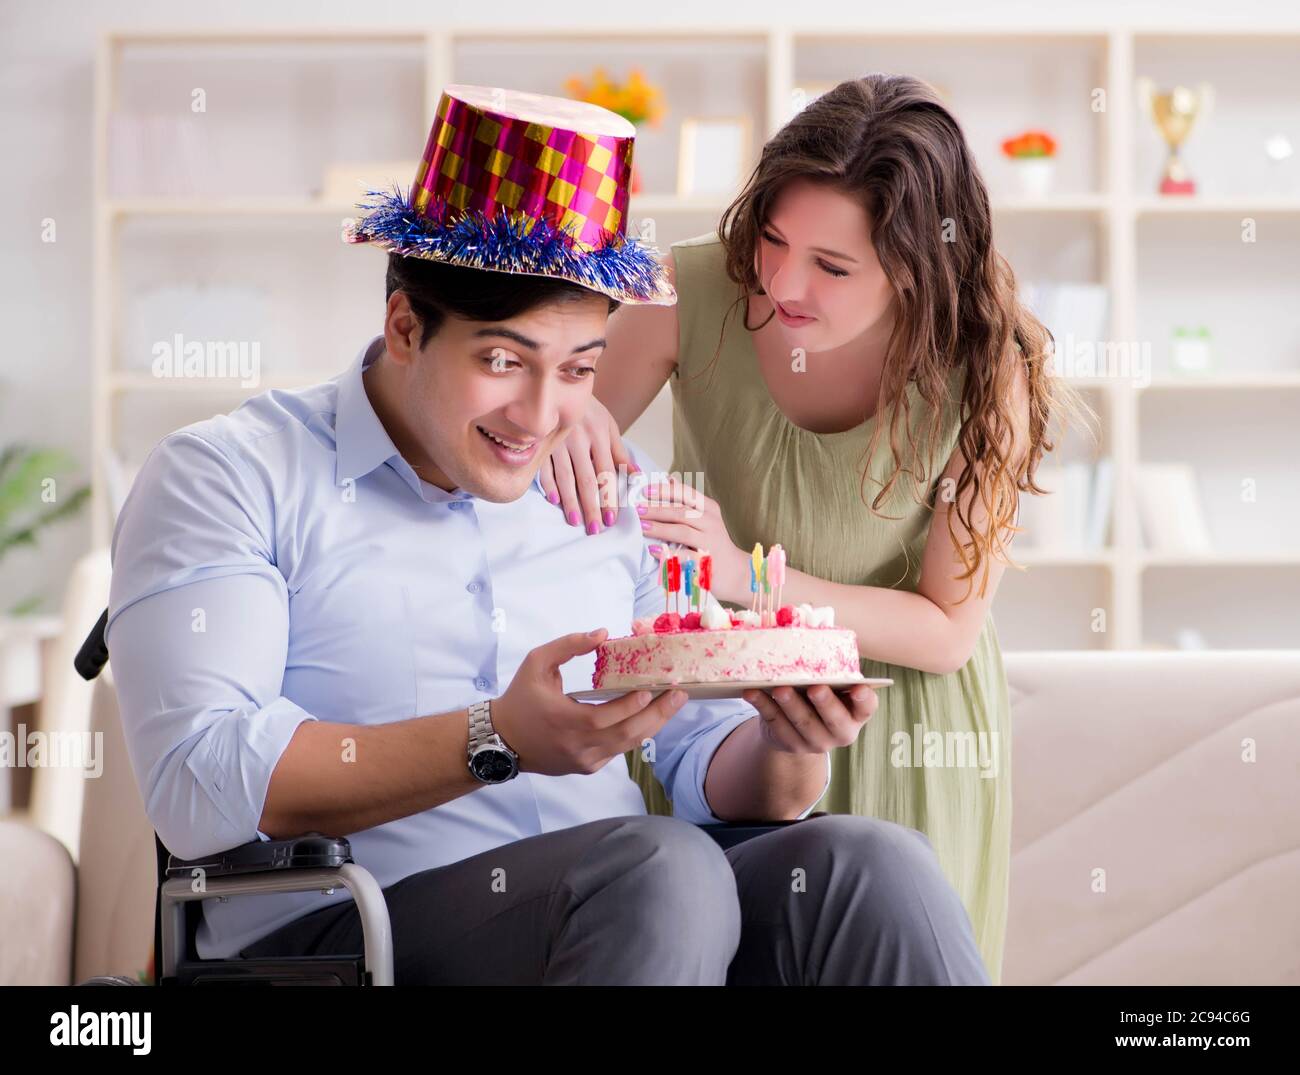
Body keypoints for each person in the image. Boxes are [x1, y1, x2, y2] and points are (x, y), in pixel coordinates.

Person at [106, 86, 990, 985]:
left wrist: (790, 744)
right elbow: (196, 783)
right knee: (660, 868)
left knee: (872, 869)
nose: (540, 415)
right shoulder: (227, 476)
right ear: (406, 325)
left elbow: (698, 763)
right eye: (502, 361)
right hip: (348, 930)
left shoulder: (606, 490)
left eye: (577, 370)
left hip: (625, 909)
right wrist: (495, 737)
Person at [539, 74, 1094, 983]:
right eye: (773, 239)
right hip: (719, 718)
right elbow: (542, 458)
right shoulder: (689, 289)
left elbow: (945, 629)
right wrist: (573, 410)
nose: (783, 283)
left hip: (900, 718)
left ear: (919, 267)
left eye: (832, 267)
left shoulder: (992, 358)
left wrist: (741, 572)